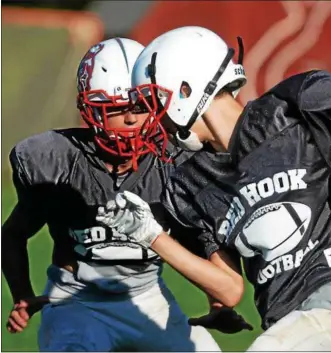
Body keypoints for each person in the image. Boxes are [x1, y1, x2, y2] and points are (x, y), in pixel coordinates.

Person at [96, 27, 331, 352]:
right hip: (285, 321)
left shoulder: (292, 108)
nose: (152, 118)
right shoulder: (191, 181)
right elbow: (228, 289)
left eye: (155, 101)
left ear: (186, 90)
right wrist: (151, 234)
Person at [1, 37, 224, 352]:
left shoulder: (175, 162)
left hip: (149, 298)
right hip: (77, 302)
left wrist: (217, 300)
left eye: (140, 108)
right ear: (89, 109)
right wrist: (21, 293)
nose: (132, 119)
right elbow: (12, 234)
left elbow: (199, 238)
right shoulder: (54, 161)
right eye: (117, 109)